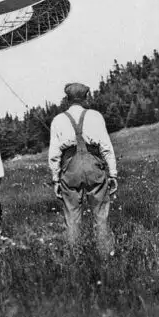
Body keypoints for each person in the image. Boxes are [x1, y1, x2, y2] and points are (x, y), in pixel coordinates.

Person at [48, 83, 118, 256]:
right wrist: (113, 174)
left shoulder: (58, 119)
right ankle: (105, 255)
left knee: (72, 218)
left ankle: (75, 257)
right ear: (85, 98)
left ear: (67, 99)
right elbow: (106, 147)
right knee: (101, 215)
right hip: (94, 165)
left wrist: (56, 179)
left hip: (69, 167)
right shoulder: (95, 116)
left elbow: (54, 154)